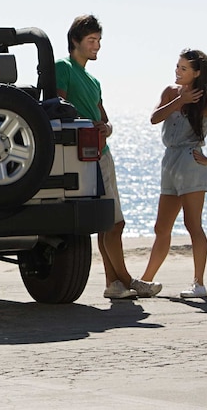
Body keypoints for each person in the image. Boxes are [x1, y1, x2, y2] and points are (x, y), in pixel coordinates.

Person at [55, 15, 158, 299]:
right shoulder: (62, 67)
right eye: (91, 41)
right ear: (75, 41)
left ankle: (114, 284)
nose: (97, 46)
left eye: (99, 41)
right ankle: (128, 280)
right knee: (111, 222)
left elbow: (105, 119)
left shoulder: (94, 80)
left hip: (104, 154)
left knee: (111, 222)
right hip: (83, 156)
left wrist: (107, 127)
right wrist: (89, 126)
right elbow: (58, 108)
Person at [139, 49, 207, 298]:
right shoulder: (170, 93)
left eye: (184, 68)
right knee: (161, 227)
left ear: (197, 73)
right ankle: (146, 281)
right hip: (169, 162)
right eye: (177, 66)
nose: (178, 71)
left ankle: (198, 284)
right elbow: (154, 118)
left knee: (193, 224)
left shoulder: (206, 102)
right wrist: (179, 101)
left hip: (191, 164)